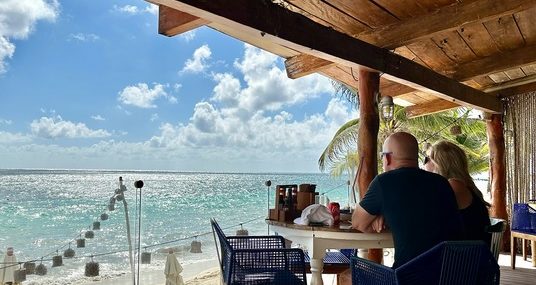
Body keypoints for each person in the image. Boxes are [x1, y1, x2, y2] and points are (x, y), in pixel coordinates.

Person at [352, 132, 464, 268]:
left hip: (407, 277)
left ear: (387, 158)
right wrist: (384, 214)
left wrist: (376, 214)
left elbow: (358, 223)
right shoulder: (442, 183)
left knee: (353, 273)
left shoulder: (384, 182)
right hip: (450, 275)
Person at [424, 140, 491, 244]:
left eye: (426, 159)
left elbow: (430, 217)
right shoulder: (463, 185)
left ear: (439, 163)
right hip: (470, 254)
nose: (425, 164)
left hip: (463, 257)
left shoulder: (454, 185)